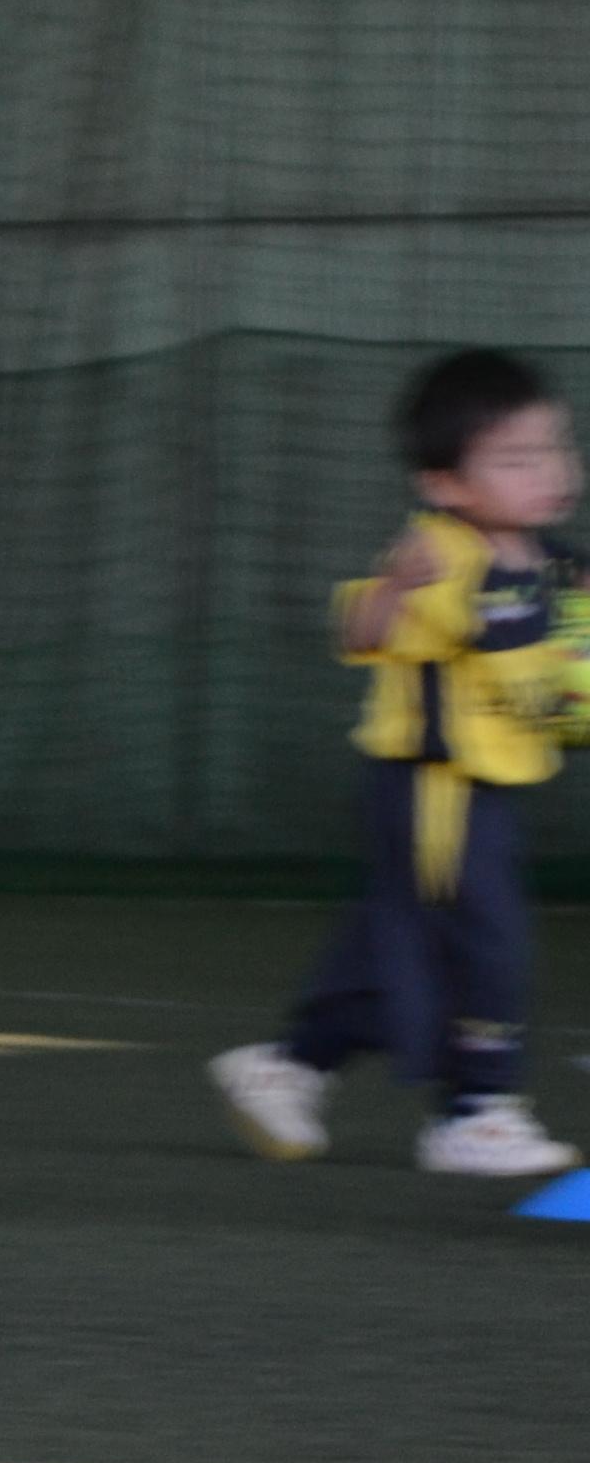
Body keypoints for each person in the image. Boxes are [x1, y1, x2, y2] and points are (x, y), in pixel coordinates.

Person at [210, 351, 588, 1178]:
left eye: (557, 448)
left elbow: (572, 690)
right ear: (446, 485)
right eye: (517, 458)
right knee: (483, 942)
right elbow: (361, 635)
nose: (551, 470)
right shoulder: (441, 555)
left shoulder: (564, 570)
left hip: (485, 796)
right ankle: (476, 1111)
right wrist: (389, 587)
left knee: (406, 944)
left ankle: (292, 1065)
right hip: (427, 790)